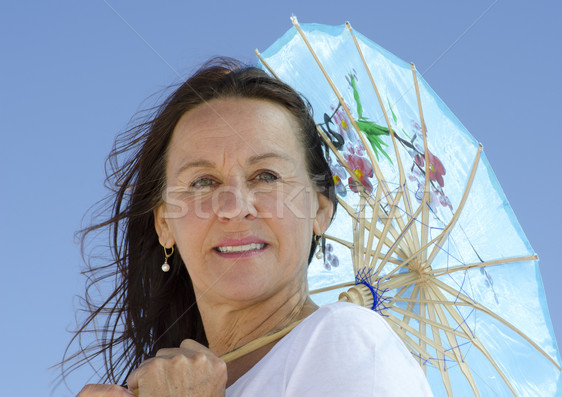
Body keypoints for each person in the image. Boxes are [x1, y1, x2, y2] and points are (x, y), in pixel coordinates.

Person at [65, 57, 433, 396]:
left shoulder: (349, 338)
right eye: (202, 182)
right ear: (165, 224)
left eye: (266, 176)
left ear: (320, 210)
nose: (234, 207)